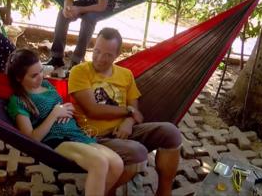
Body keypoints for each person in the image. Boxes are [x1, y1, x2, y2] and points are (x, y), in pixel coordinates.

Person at [68, 28, 182, 196]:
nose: (100, 58)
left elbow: (136, 111)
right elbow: (93, 110)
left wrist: (128, 122)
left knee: (171, 132)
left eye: (107, 55)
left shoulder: (126, 75)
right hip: (95, 137)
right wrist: (128, 112)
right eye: (97, 51)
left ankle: (164, 191)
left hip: (125, 133)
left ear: (117, 54)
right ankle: (107, 190)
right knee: (138, 153)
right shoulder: (79, 72)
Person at [6, 49, 123, 196]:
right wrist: (55, 114)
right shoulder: (18, 101)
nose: (40, 77)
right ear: (18, 78)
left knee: (117, 164)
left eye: (41, 71)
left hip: (77, 135)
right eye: (34, 75)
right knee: (99, 163)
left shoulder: (48, 86)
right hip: (57, 141)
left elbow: (62, 108)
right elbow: (31, 139)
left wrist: (68, 109)